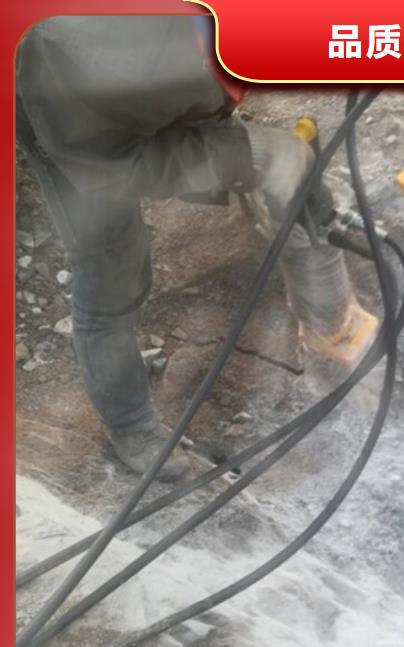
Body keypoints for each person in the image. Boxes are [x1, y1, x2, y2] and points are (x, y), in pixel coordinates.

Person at [16, 16, 317, 482]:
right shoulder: (82, 51)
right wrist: (245, 155)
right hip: (63, 119)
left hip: (131, 81)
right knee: (112, 267)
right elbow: (106, 165)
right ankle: (130, 424)